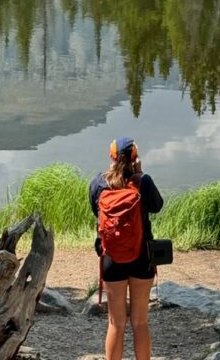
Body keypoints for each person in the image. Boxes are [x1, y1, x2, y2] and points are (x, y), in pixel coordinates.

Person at [89, 136, 164, 360]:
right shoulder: (143, 182)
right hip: (142, 257)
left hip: (112, 257)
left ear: (111, 156)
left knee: (116, 322)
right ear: (135, 159)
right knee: (140, 322)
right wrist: (141, 173)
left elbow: (97, 213)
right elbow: (157, 206)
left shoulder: (98, 183)